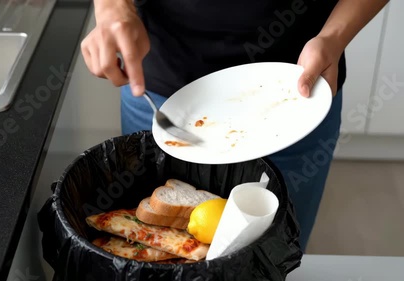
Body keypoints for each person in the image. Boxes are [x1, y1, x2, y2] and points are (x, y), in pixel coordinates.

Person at [80, 0, 389, 251]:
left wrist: (334, 36)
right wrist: (111, 7)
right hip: (160, 89)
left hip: (297, 92)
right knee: (153, 252)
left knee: (275, 251)